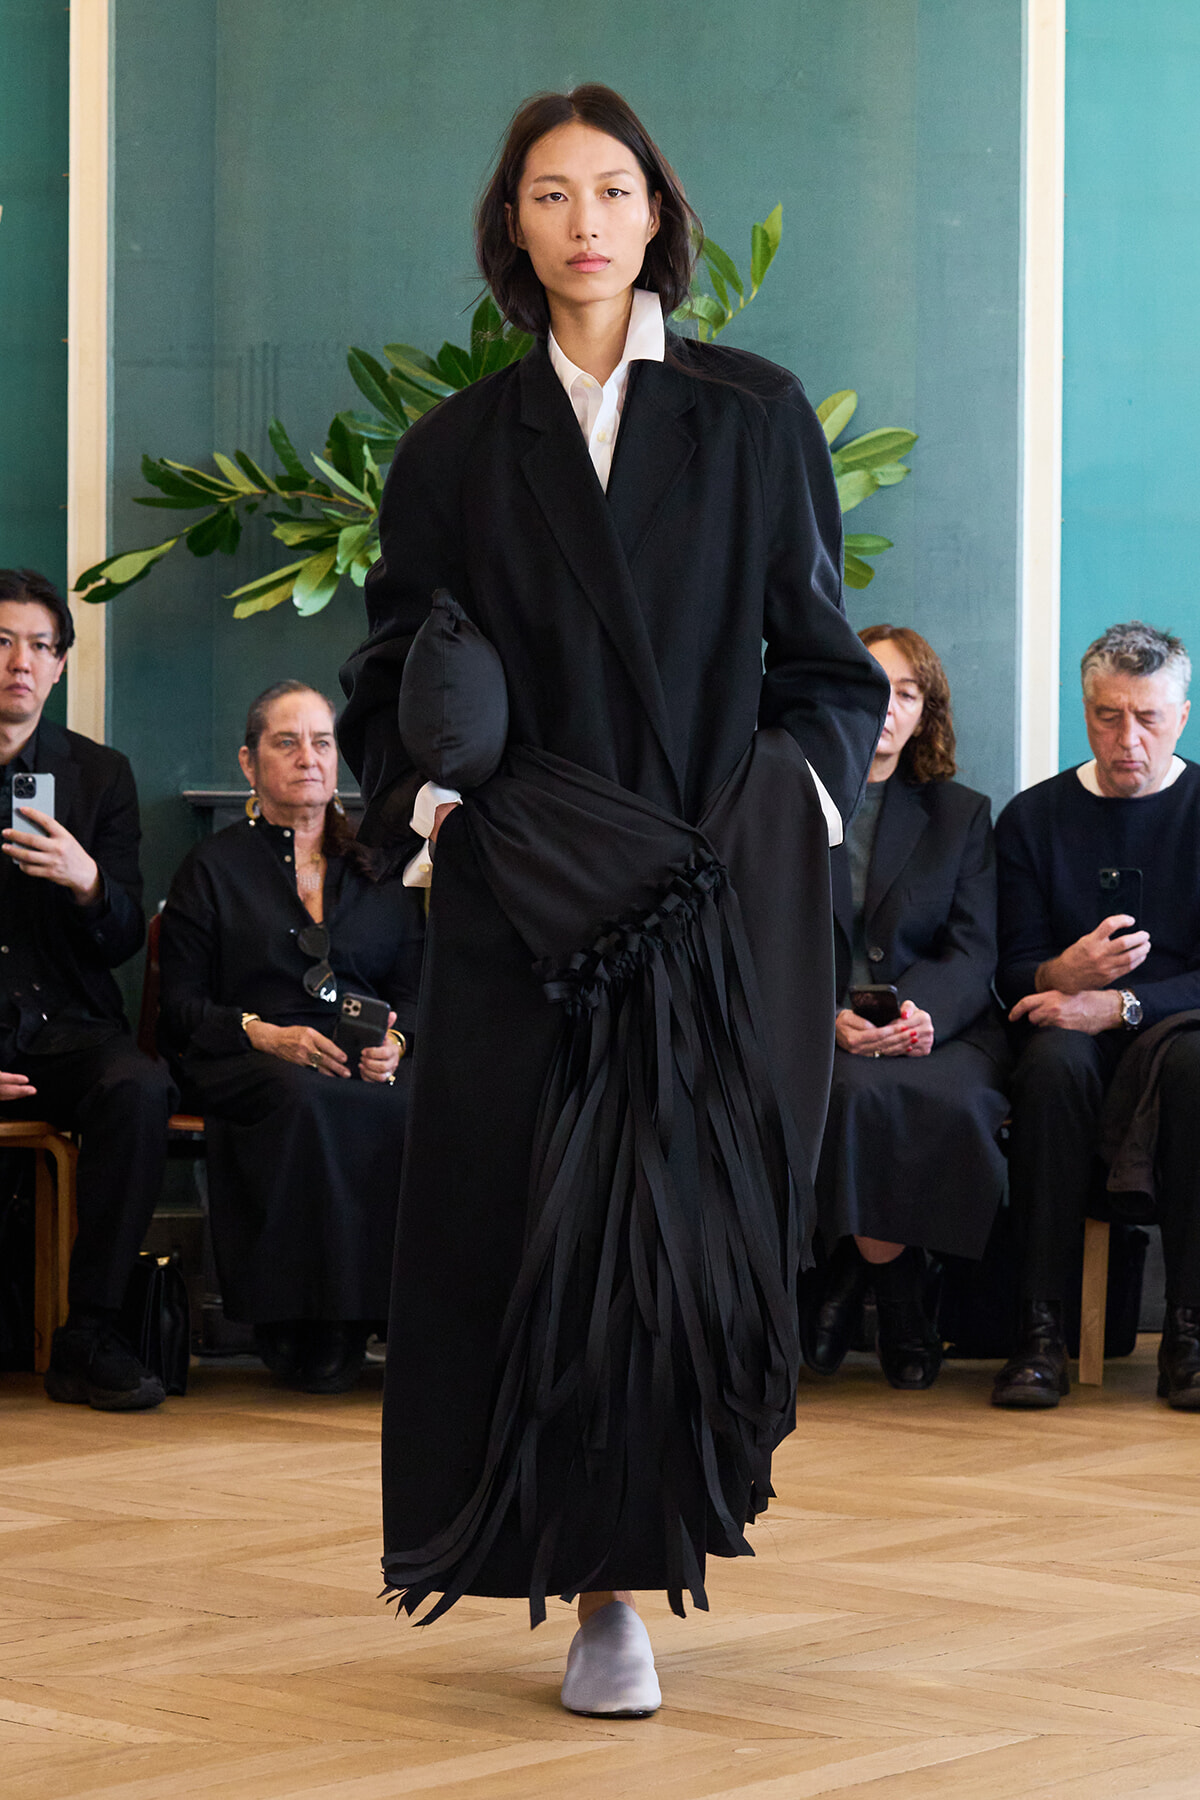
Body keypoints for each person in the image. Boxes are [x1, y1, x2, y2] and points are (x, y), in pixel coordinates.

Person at [339, 84, 888, 1717]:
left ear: (659, 214)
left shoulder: (758, 415)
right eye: (550, 193)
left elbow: (827, 677)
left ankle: (639, 1571)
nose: (586, 219)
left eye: (615, 189)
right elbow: (389, 680)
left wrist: (769, 816)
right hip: (524, 913)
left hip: (707, 905)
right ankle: (589, 1595)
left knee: (671, 1249)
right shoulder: (451, 454)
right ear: (512, 226)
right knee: (537, 1244)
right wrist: (447, 792)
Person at [158, 682, 424, 1394]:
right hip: (249, 1056)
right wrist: (265, 1035)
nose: (308, 757)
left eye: (322, 742)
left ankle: (398, 1321)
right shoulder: (212, 868)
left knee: (411, 1103)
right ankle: (309, 1326)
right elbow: (178, 1009)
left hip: (364, 1059)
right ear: (249, 764)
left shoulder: (378, 867)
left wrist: (398, 1043)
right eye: (286, 742)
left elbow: (414, 994)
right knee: (303, 1098)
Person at [993, 620, 1200, 1410]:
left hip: (1176, 1034)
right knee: (1048, 1064)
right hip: (1067, 1037)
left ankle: (1188, 1330)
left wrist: (1119, 1002)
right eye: (1109, 716)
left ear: (1180, 716)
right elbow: (1013, 972)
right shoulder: (1032, 819)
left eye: (1148, 718)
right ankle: (1038, 1332)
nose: (1128, 739)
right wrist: (1061, 972)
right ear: (1084, 713)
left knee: (1195, 1068)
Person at [806, 625, 1009, 1390]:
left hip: (941, 1029)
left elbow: (974, 947)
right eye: (872, 686)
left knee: (930, 1101)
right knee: (848, 1090)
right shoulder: (794, 804)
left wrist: (919, 1014)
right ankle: (900, 1297)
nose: (887, 707)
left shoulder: (961, 813)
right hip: (820, 1023)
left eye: (907, 692)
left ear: (927, 713)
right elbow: (766, 937)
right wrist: (825, 1013)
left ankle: (857, 1281)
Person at [0, 567, 174, 1411]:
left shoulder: (101, 778)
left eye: (38, 646)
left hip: (64, 1030)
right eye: (0, 642)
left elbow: (118, 942)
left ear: (60, 666)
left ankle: (91, 1332)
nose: (18, 663)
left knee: (138, 1088)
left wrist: (89, 881)